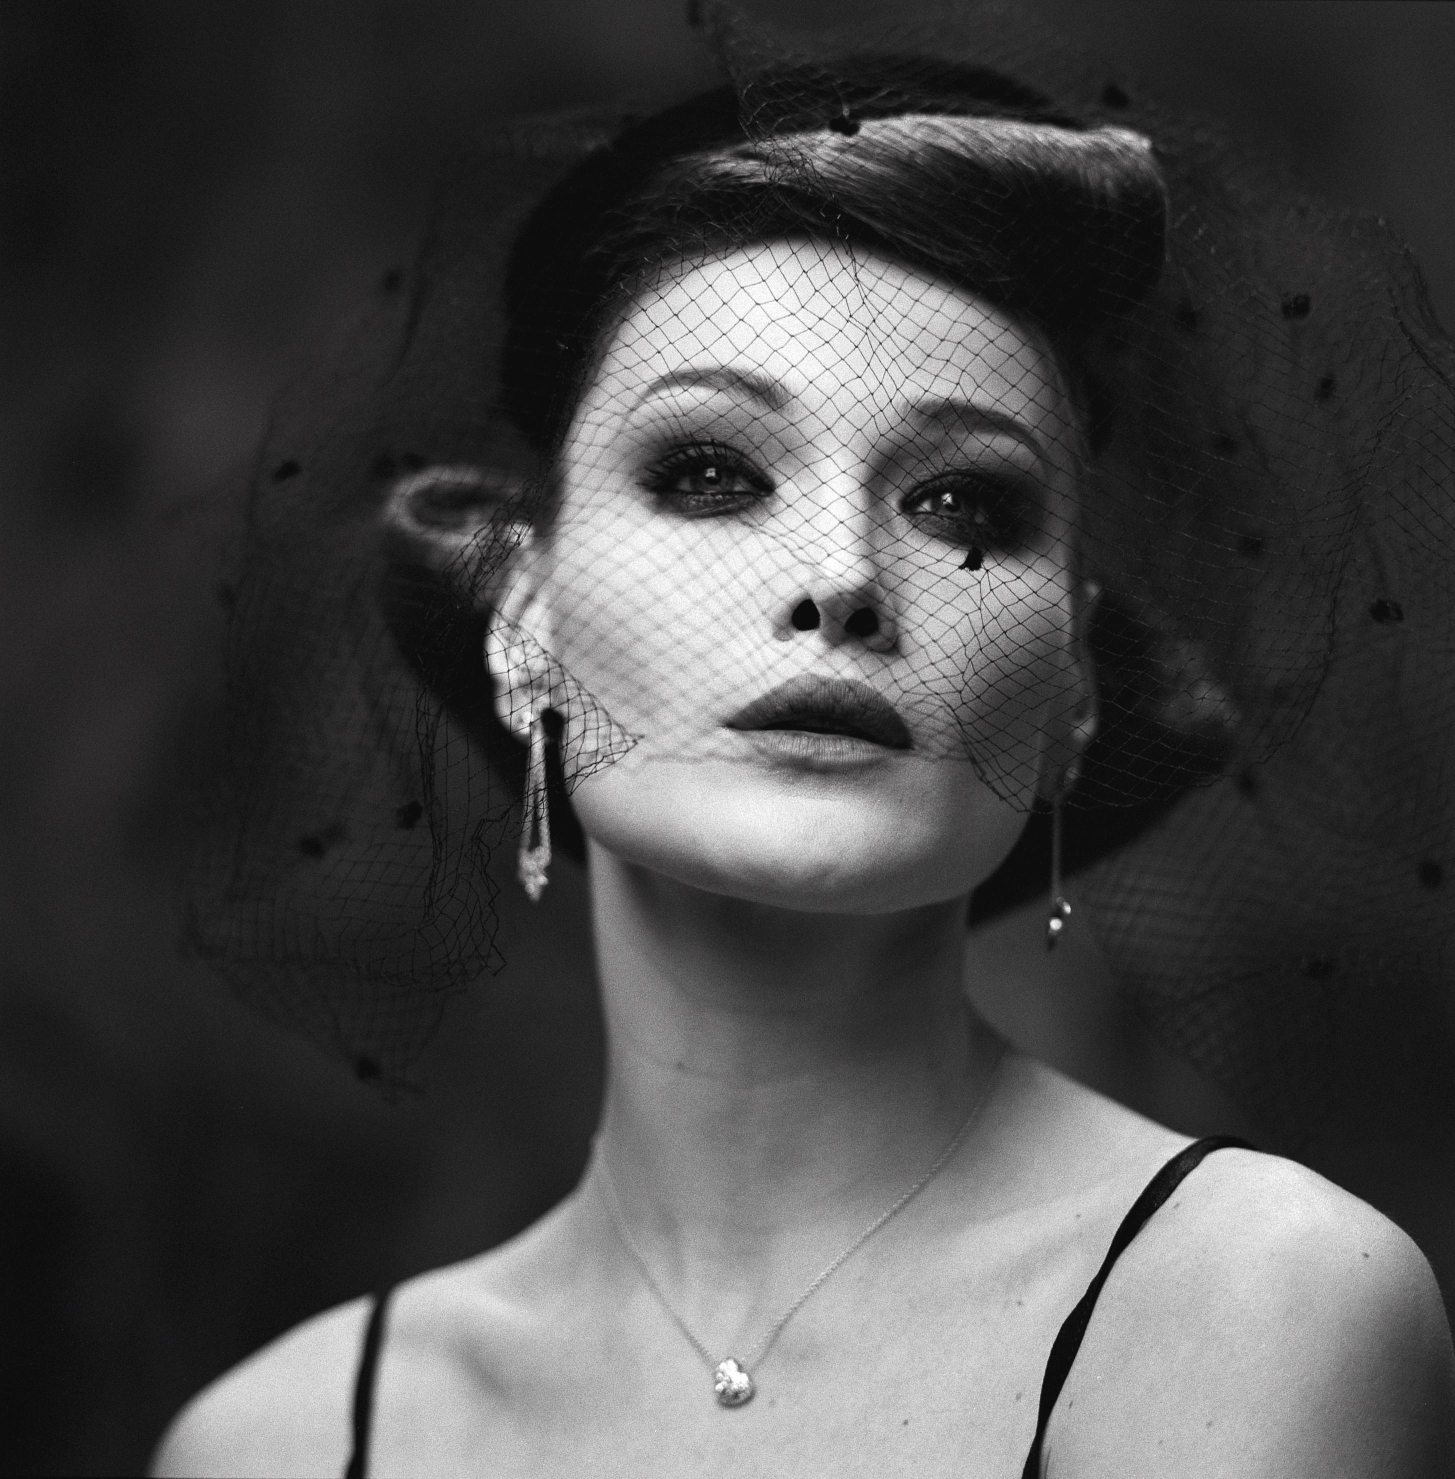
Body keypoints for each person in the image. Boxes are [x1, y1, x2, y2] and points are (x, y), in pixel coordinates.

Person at [155, 16, 1455, 1477]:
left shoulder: (1257, 1303)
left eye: (963, 505)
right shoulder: (274, 1442)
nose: (841, 577)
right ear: (524, 619)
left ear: (1076, 684)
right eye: (710, 472)